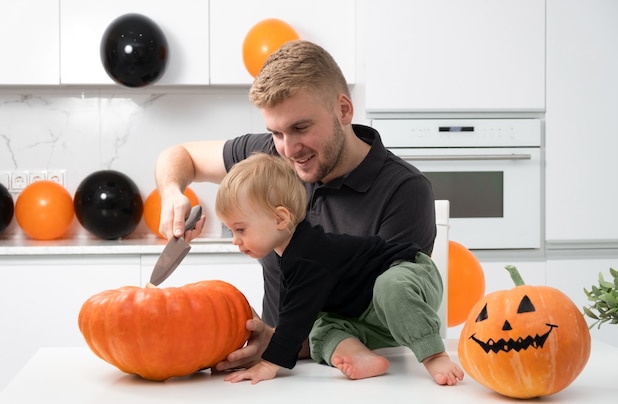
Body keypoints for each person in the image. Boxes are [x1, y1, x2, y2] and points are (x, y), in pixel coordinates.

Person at [154, 40, 436, 370]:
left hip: (360, 373)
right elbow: (180, 155)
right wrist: (172, 191)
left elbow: (382, 318)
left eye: (301, 128)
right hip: (275, 369)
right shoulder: (268, 161)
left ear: (343, 110)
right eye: (275, 132)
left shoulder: (404, 191)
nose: (288, 150)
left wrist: (278, 342)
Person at [214, 153, 463, 385]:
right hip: (372, 317)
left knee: (389, 287)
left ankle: (434, 355)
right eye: (231, 231)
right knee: (319, 329)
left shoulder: (308, 254)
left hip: (410, 273)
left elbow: (294, 317)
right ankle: (361, 356)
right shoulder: (290, 258)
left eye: (240, 229)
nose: (235, 240)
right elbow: (296, 316)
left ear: (280, 219)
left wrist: (270, 363)